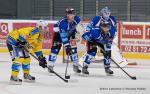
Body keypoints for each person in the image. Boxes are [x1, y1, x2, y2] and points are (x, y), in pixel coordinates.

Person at [6, 20, 48, 85]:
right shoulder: (34, 32)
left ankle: (26, 75)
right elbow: (21, 37)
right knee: (19, 58)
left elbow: (37, 48)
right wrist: (21, 43)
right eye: (45, 27)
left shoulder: (40, 36)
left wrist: (41, 58)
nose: (47, 29)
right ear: (40, 27)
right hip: (12, 41)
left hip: (21, 44)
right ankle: (13, 77)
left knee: (27, 58)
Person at [81, 11, 116, 75]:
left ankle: (107, 68)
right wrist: (92, 41)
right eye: (104, 27)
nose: (106, 28)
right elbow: (83, 37)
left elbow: (109, 43)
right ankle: (85, 67)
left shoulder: (111, 33)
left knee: (107, 53)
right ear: (101, 27)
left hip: (101, 41)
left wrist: (108, 50)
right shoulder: (95, 32)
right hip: (92, 40)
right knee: (92, 52)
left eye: (107, 27)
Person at [48, 7, 81, 74]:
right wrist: (67, 46)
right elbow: (63, 37)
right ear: (67, 15)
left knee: (73, 50)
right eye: (70, 14)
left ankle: (76, 66)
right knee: (55, 50)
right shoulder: (63, 23)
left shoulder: (77, 19)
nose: (72, 15)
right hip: (59, 36)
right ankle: (50, 66)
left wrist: (77, 35)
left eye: (73, 14)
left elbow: (78, 27)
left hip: (71, 34)